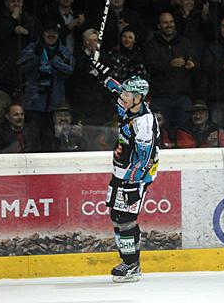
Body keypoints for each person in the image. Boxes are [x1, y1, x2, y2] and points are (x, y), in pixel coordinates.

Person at [90, 60, 160, 282]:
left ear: (139, 98)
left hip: (135, 175)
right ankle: (127, 261)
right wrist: (101, 72)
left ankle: (132, 265)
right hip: (121, 170)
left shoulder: (144, 124)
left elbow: (145, 158)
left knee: (125, 216)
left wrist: (133, 182)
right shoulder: (128, 104)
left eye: (128, 94)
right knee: (115, 215)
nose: (122, 97)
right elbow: (115, 87)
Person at [20, 20, 75, 138]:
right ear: (42, 33)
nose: (51, 35)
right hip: (34, 103)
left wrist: (53, 59)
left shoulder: (63, 51)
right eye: (48, 32)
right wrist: (36, 55)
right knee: (33, 137)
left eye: (54, 32)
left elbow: (69, 69)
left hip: (56, 104)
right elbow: (21, 66)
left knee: (53, 138)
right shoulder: (32, 48)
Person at [144, 12, 198, 130]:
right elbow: (150, 66)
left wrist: (192, 64)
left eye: (171, 22)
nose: (169, 25)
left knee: (184, 133)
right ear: (159, 26)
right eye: (165, 23)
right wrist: (169, 64)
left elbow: (194, 59)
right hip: (160, 97)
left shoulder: (185, 42)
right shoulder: (152, 44)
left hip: (182, 96)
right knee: (159, 132)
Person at [0, 0, 42, 96]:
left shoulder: (31, 19)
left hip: (27, 68)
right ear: (6, 4)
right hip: (6, 68)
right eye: (12, 1)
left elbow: (40, 37)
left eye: (19, 1)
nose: (16, 4)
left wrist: (26, 32)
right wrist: (12, 19)